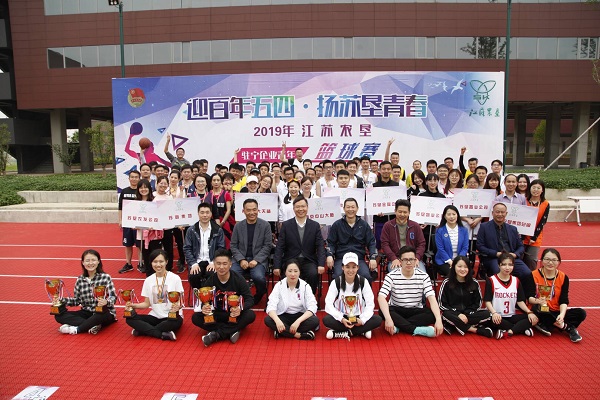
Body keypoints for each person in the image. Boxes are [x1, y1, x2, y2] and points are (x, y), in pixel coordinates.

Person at [193, 249, 256, 347]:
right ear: (214, 264)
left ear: (230, 264)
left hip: (234, 314)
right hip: (217, 314)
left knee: (250, 315)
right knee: (195, 318)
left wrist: (240, 308)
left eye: (225, 264)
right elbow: (204, 301)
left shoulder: (238, 279)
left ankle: (216, 334)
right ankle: (231, 330)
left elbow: (250, 299)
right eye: (218, 263)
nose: (221, 267)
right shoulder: (210, 280)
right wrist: (204, 307)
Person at [378, 246, 443, 338]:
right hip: (397, 309)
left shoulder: (423, 276)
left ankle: (399, 327)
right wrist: (388, 319)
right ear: (400, 261)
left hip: (415, 310)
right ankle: (416, 330)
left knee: (433, 314)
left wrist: (439, 320)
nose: (408, 262)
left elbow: (432, 298)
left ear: (415, 260)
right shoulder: (391, 276)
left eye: (411, 259)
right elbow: (381, 297)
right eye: (405, 260)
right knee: (382, 311)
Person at [528, 248, 585, 342]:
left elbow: (564, 300)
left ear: (559, 262)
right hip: (541, 308)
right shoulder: (533, 275)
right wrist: (538, 301)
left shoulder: (563, 277)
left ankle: (549, 324)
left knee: (581, 313)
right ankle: (567, 327)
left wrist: (562, 315)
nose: (550, 263)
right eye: (547, 259)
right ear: (542, 260)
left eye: (554, 260)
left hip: (556, 311)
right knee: (543, 310)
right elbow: (529, 297)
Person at [55, 249, 117, 335]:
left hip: (103, 313)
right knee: (59, 315)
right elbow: (77, 300)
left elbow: (113, 297)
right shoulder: (80, 280)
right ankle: (92, 325)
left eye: (93, 260)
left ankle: (77, 329)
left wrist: (106, 302)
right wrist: (61, 300)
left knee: (100, 316)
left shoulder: (105, 277)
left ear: (98, 261)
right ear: (83, 263)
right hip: (87, 312)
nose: (90, 263)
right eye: (87, 261)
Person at [126, 249, 183, 341]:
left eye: (161, 261)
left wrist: (177, 307)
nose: (158, 265)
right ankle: (162, 334)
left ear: (166, 262)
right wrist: (133, 305)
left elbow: (180, 301)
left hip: (171, 317)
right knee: (129, 319)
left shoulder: (175, 278)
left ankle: (143, 330)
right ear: (151, 263)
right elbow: (146, 304)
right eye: (155, 262)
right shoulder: (148, 280)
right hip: (154, 316)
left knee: (175, 322)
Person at [323, 252, 382, 340]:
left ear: (358, 267)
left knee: (377, 320)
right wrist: (341, 318)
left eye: (353, 267)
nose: (350, 270)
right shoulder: (336, 282)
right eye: (347, 267)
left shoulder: (363, 281)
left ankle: (340, 333)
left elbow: (370, 304)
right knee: (327, 320)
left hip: (358, 317)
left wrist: (362, 320)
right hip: (342, 317)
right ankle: (361, 331)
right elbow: (328, 304)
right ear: (342, 267)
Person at [274, 196, 326, 294]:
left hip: (308, 260)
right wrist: (276, 266)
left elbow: (320, 246)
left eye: (303, 206)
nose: (300, 209)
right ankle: (290, 298)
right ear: (293, 209)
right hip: (291, 259)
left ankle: (309, 297)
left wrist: (321, 264)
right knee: (289, 274)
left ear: (307, 207)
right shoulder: (286, 225)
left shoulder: (315, 225)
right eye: (297, 207)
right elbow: (280, 247)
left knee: (313, 274)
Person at [476, 203, 533, 292]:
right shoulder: (484, 227)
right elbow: (480, 246)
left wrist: (515, 254)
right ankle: (499, 295)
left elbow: (520, 246)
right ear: (492, 213)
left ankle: (524, 296)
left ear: (506, 214)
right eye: (497, 212)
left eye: (502, 212)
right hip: (494, 258)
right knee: (498, 272)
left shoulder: (512, 229)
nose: (500, 214)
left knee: (527, 273)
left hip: (511, 258)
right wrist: (496, 253)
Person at [484, 252, 538, 339]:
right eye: (504, 264)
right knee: (493, 321)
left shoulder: (516, 280)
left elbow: (520, 301)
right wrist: (494, 313)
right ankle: (521, 328)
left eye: (510, 265)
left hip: (511, 316)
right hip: (496, 316)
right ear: (498, 265)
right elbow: (487, 301)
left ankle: (508, 331)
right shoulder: (491, 280)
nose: (507, 268)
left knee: (534, 317)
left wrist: (529, 312)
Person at [437, 256, 492, 337]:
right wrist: (458, 314)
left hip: (469, 314)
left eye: (465, 267)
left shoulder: (474, 283)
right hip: (453, 313)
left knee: (487, 314)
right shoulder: (446, 283)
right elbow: (442, 304)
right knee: (446, 315)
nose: (462, 269)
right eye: (459, 266)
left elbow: (478, 303)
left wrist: (466, 314)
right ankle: (474, 329)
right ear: (453, 267)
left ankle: (453, 326)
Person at [230, 199, 272, 304]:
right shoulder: (238, 226)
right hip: (240, 259)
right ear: (243, 211)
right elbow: (233, 245)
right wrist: (241, 259)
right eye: (248, 210)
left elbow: (267, 246)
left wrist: (256, 260)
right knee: (231, 274)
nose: (252, 212)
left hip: (258, 260)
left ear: (258, 210)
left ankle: (259, 294)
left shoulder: (265, 225)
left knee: (259, 277)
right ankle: (238, 296)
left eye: (254, 209)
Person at [264, 259, 319, 340]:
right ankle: (298, 335)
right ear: (285, 272)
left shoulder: (305, 286)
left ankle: (282, 332)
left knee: (315, 320)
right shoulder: (279, 285)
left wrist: (298, 321)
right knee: (268, 320)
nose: (293, 274)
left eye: (296, 271)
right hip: (284, 315)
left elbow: (312, 306)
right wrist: (277, 321)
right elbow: (271, 306)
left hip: (300, 315)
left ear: (299, 272)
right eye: (290, 271)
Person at [327, 198, 378, 282]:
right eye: (348, 207)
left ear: (357, 209)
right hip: (341, 258)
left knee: (366, 277)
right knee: (338, 277)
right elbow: (330, 243)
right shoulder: (337, 225)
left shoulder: (364, 225)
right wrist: (329, 255)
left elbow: (371, 242)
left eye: (353, 207)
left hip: (359, 259)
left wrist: (373, 257)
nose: (350, 209)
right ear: (344, 209)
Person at [183, 202, 225, 289]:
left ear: (211, 214)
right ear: (198, 214)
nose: (205, 215)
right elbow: (187, 248)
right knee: (194, 275)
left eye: (207, 212)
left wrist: (214, 262)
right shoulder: (191, 230)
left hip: (211, 260)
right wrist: (193, 263)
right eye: (202, 212)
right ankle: (199, 294)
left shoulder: (218, 230)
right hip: (196, 261)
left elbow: (221, 248)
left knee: (212, 275)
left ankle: (209, 295)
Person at [381, 199, 426, 273]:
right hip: (396, 259)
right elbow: (385, 244)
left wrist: (416, 258)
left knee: (421, 275)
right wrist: (393, 258)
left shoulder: (415, 226)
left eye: (405, 212)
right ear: (395, 211)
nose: (402, 214)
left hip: (413, 259)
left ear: (409, 213)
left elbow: (421, 244)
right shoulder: (388, 226)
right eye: (400, 212)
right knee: (397, 276)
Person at [136, 179, 164, 276]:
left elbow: (160, 217)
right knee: (146, 258)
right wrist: (134, 225)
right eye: (141, 188)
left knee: (156, 258)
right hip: (142, 235)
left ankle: (159, 277)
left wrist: (155, 225)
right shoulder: (135, 203)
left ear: (149, 188)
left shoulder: (155, 201)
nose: (143, 189)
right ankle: (149, 278)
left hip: (154, 235)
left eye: (145, 187)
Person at [434, 205, 469, 277]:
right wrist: (450, 262)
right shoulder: (439, 231)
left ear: (457, 215)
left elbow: (465, 248)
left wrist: (458, 261)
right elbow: (440, 249)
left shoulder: (464, 230)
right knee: (453, 274)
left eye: (454, 214)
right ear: (444, 216)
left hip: (461, 260)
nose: (451, 217)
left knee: (467, 274)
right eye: (449, 214)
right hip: (444, 261)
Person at [523, 179, 550, 270]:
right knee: (520, 258)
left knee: (531, 259)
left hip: (536, 236)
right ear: (530, 188)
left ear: (542, 190)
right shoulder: (524, 201)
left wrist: (534, 237)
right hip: (522, 235)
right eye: (533, 187)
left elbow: (543, 221)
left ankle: (532, 276)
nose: (536, 190)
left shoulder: (545, 204)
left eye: (538, 188)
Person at [372, 161, 399, 250]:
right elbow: (372, 203)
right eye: (384, 169)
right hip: (379, 219)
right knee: (379, 241)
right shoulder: (374, 186)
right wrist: (376, 211)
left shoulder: (397, 186)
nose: (386, 171)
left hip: (393, 219)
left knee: (393, 241)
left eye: (388, 169)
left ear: (391, 170)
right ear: (380, 170)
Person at [118, 170, 140, 274]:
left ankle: (141, 263)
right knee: (128, 244)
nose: (134, 179)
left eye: (136, 177)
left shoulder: (141, 191)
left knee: (139, 245)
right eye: (132, 177)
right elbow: (120, 207)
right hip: (127, 223)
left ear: (139, 178)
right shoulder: (124, 191)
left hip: (138, 223)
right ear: (129, 178)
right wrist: (120, 220)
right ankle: (128, 263)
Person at [206, 173, 235, 247]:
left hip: (224, 222)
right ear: (211, 182)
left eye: (218, 180)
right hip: (211, 223)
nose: (216, 182)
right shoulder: (207, 194)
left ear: (221, 182)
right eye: (214, 180)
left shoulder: (225, 194)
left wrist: (222, 222)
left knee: (226, 243)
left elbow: (229, 210)